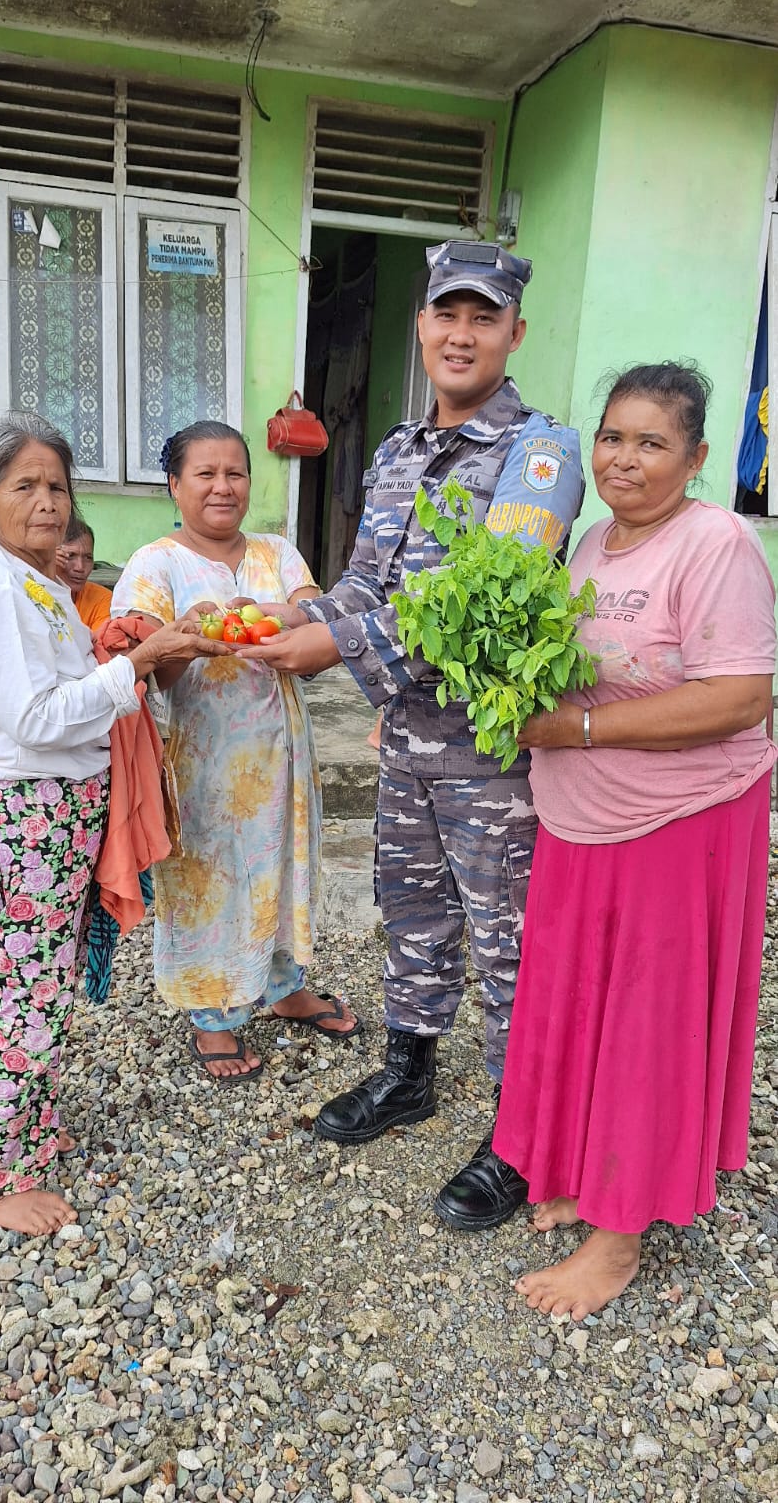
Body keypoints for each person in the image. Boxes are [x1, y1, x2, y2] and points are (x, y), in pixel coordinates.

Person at [253, 240, 585, 1229]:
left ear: (514, 333)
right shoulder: (399, 452)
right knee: (414, 915)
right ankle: (410, 1074)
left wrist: (330, 648)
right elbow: (366, 583)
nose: (462, 333)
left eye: (485, 317)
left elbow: (483, 594)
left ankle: (521, 1134)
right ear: (422, 323)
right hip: (408, 741)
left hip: (495, 755)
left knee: (507, 943)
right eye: (448, 312)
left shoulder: (541, 453)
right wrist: (296, 618)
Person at [493, 362, 777, 1320]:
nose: (624, 458)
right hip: (584, 815)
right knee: (584, 998)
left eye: (652, 442)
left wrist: (577, 730)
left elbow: (742, 697)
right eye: (612, 436)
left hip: (679, 820)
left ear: (696, 460)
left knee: (648, 1016)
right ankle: (585, 1172)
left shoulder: (716, 544)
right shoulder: (590, 548)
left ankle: (620, 1239)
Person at [0, 411, 227, 1236]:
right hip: (23, 808)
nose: (46, 504)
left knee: (48, 981)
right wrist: (134, 667)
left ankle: (27, 1130)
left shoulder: (39, 584)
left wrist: (123, 650)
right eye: (23, 486)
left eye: (56, 486)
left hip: (56, 808)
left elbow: (70, 686)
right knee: (29, 991)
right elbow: (34, 719)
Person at [110, 419, 361, 1083]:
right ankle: (212, 1015)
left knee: (282, 867)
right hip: (201, 762)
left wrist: (284, 613)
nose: (224, 487)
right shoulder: (154, 565)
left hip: (279, 754)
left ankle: (284, 988)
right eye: (206, 474)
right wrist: (183, 642)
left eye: (236, 473)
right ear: (174, 484)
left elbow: (321, 613)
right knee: (207, 884)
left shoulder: (276, 551)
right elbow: (142, 670)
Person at [55, 514, 112, 632]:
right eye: (70, 556)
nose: (80, 567)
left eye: (88, 558)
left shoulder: (101, 598)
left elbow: (100, 645)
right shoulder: (27, 595)